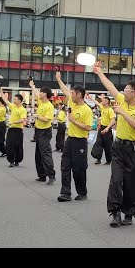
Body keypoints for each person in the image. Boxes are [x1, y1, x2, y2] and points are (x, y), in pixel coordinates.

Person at [93, 61, 135, 227]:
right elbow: (109, 85)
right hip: (118, 147)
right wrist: (99, 72)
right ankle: (115, 212)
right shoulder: (121, 100)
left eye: (126, 90)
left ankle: (129, 213)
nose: (122, 92)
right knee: (116, 180)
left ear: (134, 93)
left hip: (134, 149)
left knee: (132, 182)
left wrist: (123, 113)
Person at [56, 71, 93, 202]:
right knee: (65, 165)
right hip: (70, 140)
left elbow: (89, 127)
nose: (70, 95)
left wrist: (74, 121)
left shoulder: (87, 110)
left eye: (72, 93)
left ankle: (82, 192)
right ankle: (65, 193)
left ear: (78, 95)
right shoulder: (73, 103)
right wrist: (59, 79)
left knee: (79, 168)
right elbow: (64, 90)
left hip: (80, 142)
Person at [29, 80, 56, 184]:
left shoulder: (49, 106)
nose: (38, 93)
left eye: (41, 92)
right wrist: (32, 85)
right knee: (38, 154)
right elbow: (35, 92)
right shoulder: (41, 101)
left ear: (45, 94)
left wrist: (37, 116)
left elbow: (47, 119)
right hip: (38, 130)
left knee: (45, 153)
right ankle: (42, 175)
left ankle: (51, 175)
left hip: (45, 131)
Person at [0, 87, 27, 167]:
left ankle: (17, 160)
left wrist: (14, 122)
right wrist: (1, 91)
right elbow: (5, 100)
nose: (14, 100)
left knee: (18, 146)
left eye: (15, 99)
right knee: (9, 145)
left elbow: (23, 119)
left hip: (18, 130)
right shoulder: (13, 106)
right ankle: (11, 160)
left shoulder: (23, 110)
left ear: (19, 100)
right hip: (11, 129)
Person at [90, 94, 116, 165]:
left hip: (107, 129)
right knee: (98, 143)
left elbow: (113, 120)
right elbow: (97, 103)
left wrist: (107, 128)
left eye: (104, 100)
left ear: (107, 101)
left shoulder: (110, 110)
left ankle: (109, 160)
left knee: (108, 145)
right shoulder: (102, 107)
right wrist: (91, 98)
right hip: (101, 127)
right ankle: (98, 158)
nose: (102, 102)